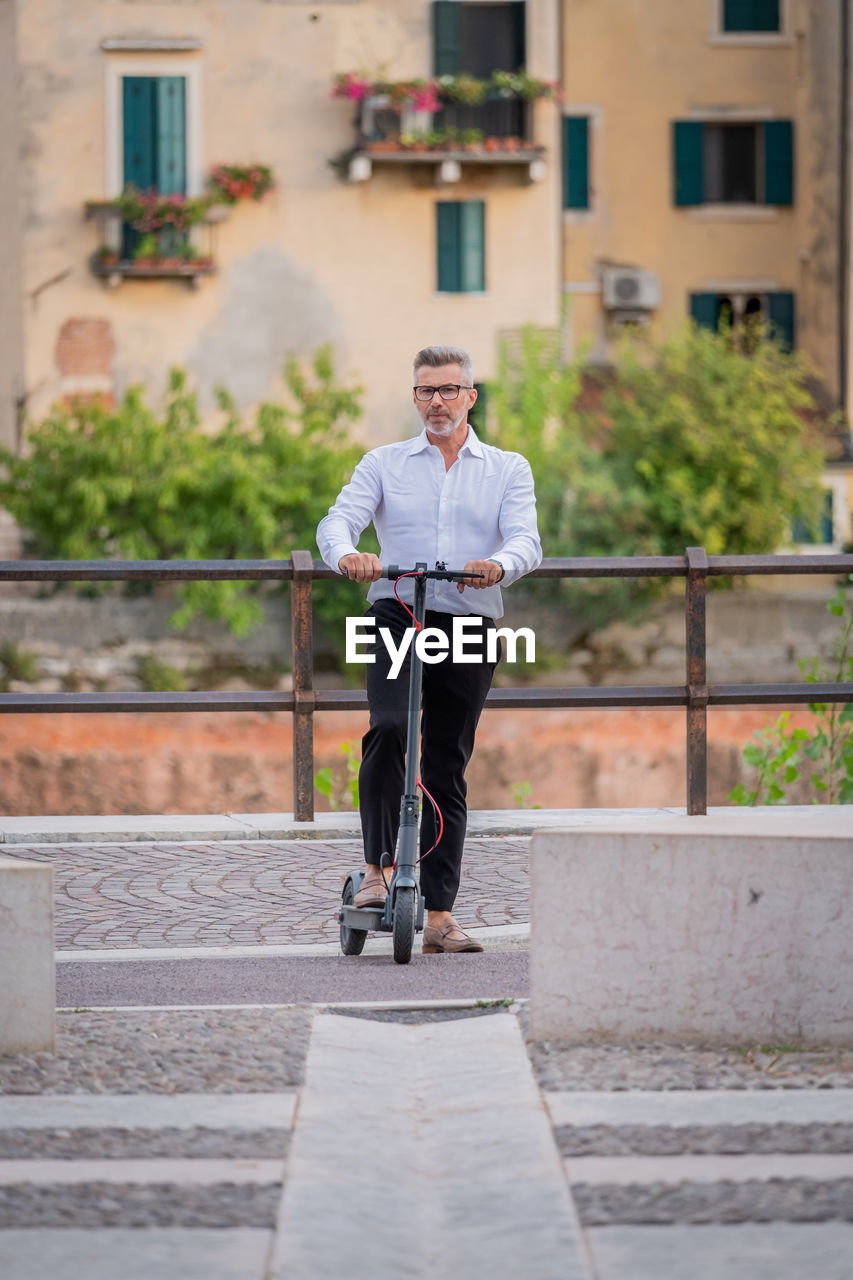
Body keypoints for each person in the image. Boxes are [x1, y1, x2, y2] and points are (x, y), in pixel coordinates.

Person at [316, 345, 541, 953]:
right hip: (398, 610)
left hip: (469, 617)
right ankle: (375, 872)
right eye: (425, 391)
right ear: (414, 398)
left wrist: (497, 566)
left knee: (445, 761)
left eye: (447, 390)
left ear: (471, 396)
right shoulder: (384, 463)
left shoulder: (506, 468)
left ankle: (439, 915)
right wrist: (347, 556)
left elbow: (527, 541)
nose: (436, 402)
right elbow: (337, 522)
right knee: (389, 729)